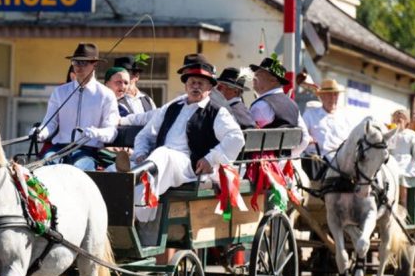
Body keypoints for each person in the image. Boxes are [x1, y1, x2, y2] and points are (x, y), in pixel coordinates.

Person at [129, 54, 245, 221]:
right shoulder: (172, 107)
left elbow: (236, 137)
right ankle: (120, 203)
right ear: (186, 85)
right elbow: (145, 134)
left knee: (163, 155)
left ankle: (141, 216)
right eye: (192, 83)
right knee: (119, 168)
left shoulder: (216, 111)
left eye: (200, 83)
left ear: (209, 88)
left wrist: (210, 159)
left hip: (189, 165)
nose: (195, 87)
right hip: (158, 160)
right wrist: (140, 153)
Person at [32, 43, 119, 171]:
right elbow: (50, 123)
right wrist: (40, 132)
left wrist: (97, 132)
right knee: (45, 167)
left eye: (84, 63)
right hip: (60, 147)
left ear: (94, 64)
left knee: (77, 170)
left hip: (89, 150)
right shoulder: (60, 92)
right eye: (76, 62)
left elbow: (111, 131)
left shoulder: (106, 95)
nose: (78, 66)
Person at [249, 54, 310, 158]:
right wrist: (285, 158)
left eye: (259, 74)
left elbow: (247, 140)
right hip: (283, 166)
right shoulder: (293, 105)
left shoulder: (261, 106)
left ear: (273, 80)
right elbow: (305, 139)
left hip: (260, 167)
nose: (254, 77)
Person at [300, 78, 362, 179]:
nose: (333, 98)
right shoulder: (310, 114)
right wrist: (308, 138)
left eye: (335, 94)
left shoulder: (346, 117)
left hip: (341, 162)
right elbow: (301, 135)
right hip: (317, 162)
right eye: (329, 94)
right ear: (321, 96)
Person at [389, 109, 415, 206]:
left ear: (407, 120)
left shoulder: (411, 134)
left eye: (402, 118)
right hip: (391, 161)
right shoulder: (390, 133)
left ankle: (403, 208)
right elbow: (388, 149)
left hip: (405, 163)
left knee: (402, 181)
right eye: (397, 118)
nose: (399, 120)